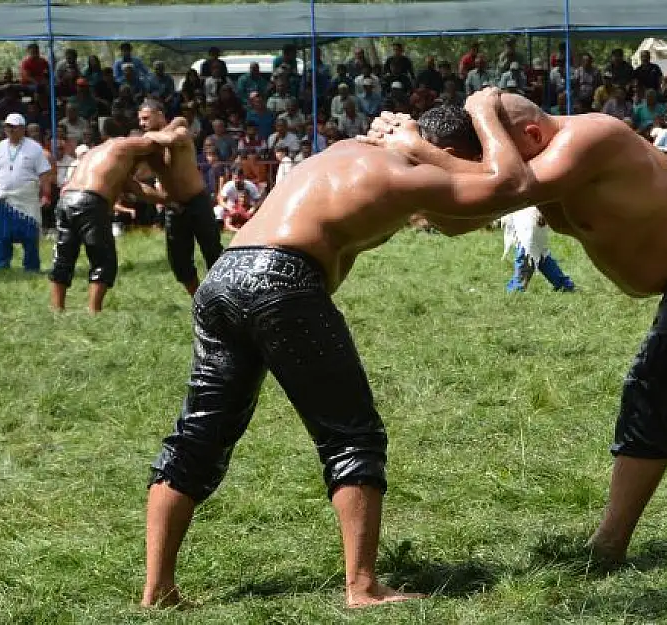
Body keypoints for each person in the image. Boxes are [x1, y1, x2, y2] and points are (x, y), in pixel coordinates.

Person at [364, 90, 667, 567]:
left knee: (659, 380)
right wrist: (410, 158)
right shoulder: (530, 167)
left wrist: (424, 143)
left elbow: (508, 184)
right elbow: (458, 218)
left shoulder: (590, 137)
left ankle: (608, 545)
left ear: (533, 137)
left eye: (502, 144)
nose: (498, 159)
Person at [141, 99, 536, 610]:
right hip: (283, 280)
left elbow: (457, 221)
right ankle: (363, 587)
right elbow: (510, 184)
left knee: (198, 436)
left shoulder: (350, 151)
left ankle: (158, 590)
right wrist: (483, 115)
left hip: (223, 278)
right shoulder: (406, 170)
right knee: (352, 435)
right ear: (442, 151)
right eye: (457, 160)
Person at [48, 134, 170, 313]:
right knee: (103, 260)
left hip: (66, 199)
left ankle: (57, 309)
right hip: (90, 201)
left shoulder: (101, 154)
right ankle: (94, 311)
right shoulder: (126, 146)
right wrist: (176, 126)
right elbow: (151, 141)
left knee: (63, 256)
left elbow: (139, 190)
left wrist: (170, 200)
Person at [137, 99, 224, 296]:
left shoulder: (180, 132)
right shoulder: (150, 147)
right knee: (179, 261)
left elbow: (171, 139)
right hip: (173, 207)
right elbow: (138, 175)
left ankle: (221, 294)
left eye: (145, 118)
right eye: (140, 121)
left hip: (197, 201)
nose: (142, 124)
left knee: (212, 251)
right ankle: (198, 298)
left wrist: (151, 134)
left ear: (159, 114)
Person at [0, 113, 53, 272]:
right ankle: (2, 267)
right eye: (7, 126)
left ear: (22, 129)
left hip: (27, 199)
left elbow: (44, 174)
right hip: (4, 199)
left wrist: (46, 194)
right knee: (2, 234)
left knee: (29, 234)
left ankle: (31, 267)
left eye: (13, 127)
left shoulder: (35, 148)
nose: (10, 130)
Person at [499, 206, 576, 293]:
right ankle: (564, 285)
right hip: (521, 214)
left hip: (530, 215)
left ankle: (516, 288)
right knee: (540, 256)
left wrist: (541, 211)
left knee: (528, 253)